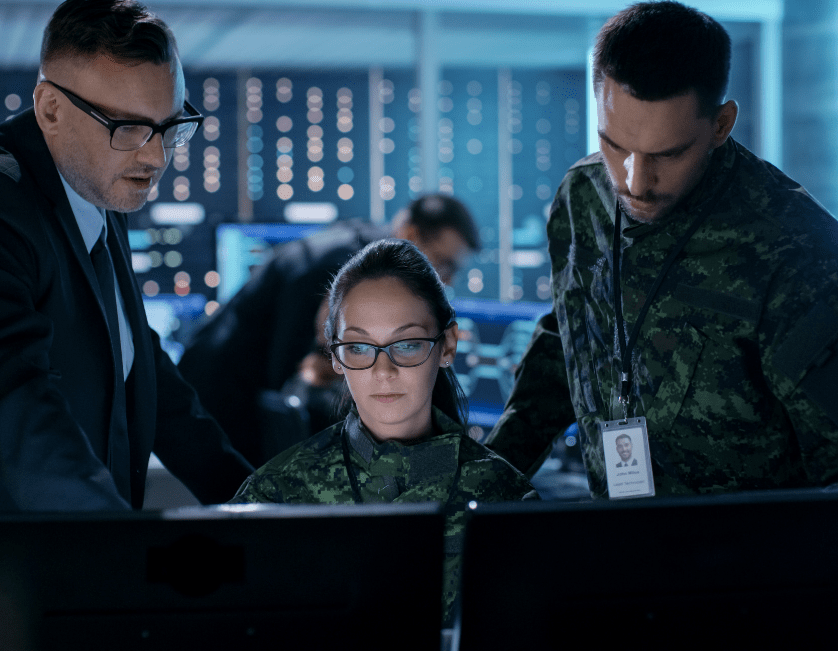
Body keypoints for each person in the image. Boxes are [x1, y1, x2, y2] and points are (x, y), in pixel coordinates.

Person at [486, 1, 838, 498]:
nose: (634, 182)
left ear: (721, 124)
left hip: (748, 561)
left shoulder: (798, 251)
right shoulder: (582, 197)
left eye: (667, 154)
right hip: (617, 543)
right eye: (614, 145)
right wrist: (484, 486)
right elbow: (569, 337)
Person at [0, 0, 252, 511]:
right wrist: (115, 544)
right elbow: (14, 404)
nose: (154, 158)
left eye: (169, 127)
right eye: (129, 128)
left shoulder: (95, 175)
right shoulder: (7, 207)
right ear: (51, 109)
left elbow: (140, 364)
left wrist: (256, 502)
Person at [229, 239, 536, 625]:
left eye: (407, 344)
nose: (383, 371)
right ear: (335, 355)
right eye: (359, 347)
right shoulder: (275, 496)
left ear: (447, 346)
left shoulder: (506, 501)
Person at [178, 194, 480, 466]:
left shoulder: (358, 251)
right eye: (445, 264)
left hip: (228, 391)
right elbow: (286, 370)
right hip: (215, 396)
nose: (447, 280)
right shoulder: (345, 268)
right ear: (411, 233)